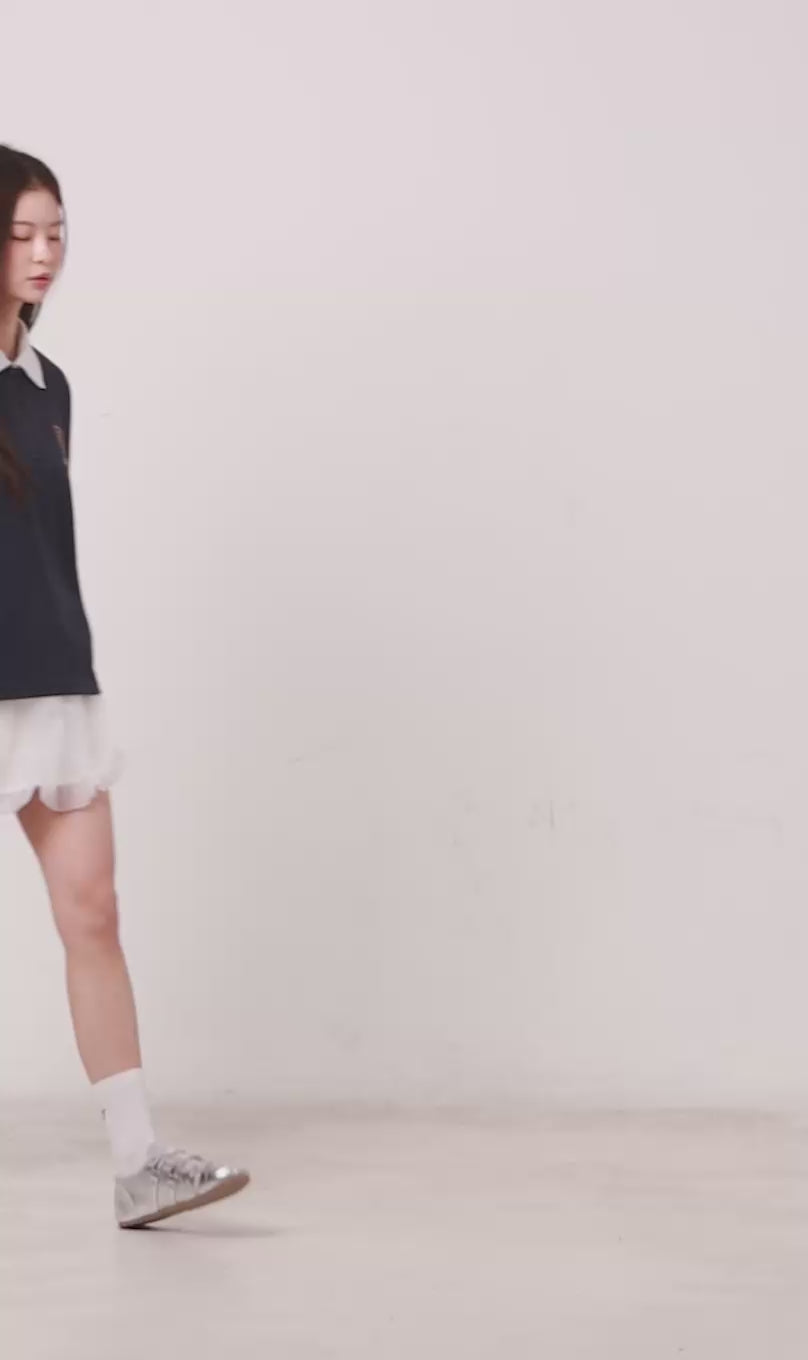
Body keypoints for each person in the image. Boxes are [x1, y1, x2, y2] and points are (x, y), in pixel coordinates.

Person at [0, 145, 249, 1227]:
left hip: (51, 682)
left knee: (94, 911)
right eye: (21, 233)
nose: (44, 252)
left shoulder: (47, 386)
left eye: (57, 232)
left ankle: (140, 1160)